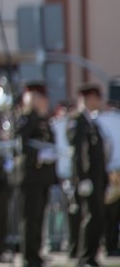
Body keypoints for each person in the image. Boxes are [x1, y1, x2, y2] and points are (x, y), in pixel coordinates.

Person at [15, 80, 58, 267]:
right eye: (42, 98)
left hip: (42, 177)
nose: (46, 101)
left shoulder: (43, 119)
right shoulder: (27, 117)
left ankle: (36, 253)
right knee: (30, 218)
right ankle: (28, 256)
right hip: (30, 175)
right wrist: (39, 155)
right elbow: (20, 143)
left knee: (39, 217)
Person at [68, 82, 106, 267]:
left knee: (96, 216)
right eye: (97, 98)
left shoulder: (91, 121)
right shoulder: (78, 120)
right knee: (88, 217)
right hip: (87, 178)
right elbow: (78, 153)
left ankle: (92, 255)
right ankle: (85, 256)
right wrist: (82, 178)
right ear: (90, 98)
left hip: (96, 178)